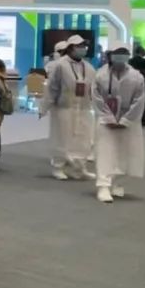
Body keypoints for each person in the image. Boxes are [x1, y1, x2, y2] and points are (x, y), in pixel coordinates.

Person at [92, 43, 145, 203]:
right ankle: (103, 185)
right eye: (118, 52)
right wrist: (108, 118)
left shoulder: (136, 77)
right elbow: (96, 98)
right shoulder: (100, 75)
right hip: (106, 120)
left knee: (126, 152)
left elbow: (139, 100)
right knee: (105, 152)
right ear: (110, 55)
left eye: (124, 52)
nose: (121, 56)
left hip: (128, 121)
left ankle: (118, 183)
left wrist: (125, 120)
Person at [42, 34, 96, 180]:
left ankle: (79, 168)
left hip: (83, 108)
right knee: (62, 137)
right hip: (64, 107)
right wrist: (45, 106)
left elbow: (93, 89)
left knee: (82, 138)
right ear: (70, 48)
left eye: (84, 46)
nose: (82, 49)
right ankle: (58, 166)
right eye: (79, 46)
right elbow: (52, 87)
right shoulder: (60, 65)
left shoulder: (89, 67)